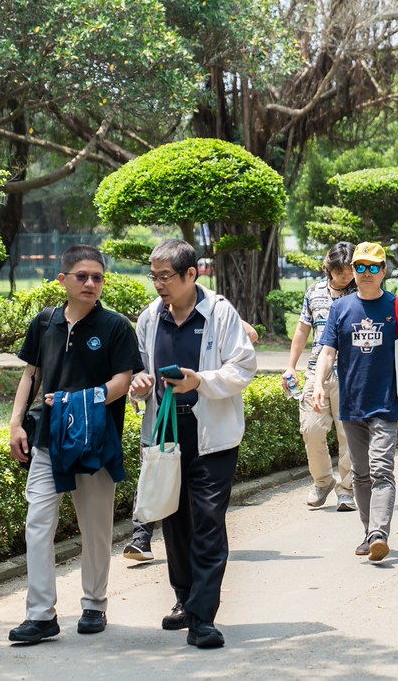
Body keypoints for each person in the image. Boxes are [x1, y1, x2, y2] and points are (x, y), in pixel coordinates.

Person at [129, 239, 256, 649]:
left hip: (211, 438)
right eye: (154, 276)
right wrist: (139, 386)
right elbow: (139, 371)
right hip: (166, 431)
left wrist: (200, 380)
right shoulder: (150, 317)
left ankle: (203, 618)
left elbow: (243, 367)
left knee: (207, 524)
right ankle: (184, 599)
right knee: (175, 522)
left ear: (190, 274)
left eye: (166, 276)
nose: (158, 284)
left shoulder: (219, 313)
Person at [7, 245, 139, 643]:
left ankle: (94, 604)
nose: (90, 283)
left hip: (95, 441)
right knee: (38, 523)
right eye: (82, 276)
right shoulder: (45, 322)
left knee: (95, 528)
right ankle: (41, 614)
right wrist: (15, 422)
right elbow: (31, 375)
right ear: (62, 279)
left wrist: (78, 402)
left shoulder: (116, 326)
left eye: (97, 277)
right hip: (48, 441)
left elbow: (122, 382)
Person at [312, 242, 398, 562]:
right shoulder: (341, 308)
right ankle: (368, 532)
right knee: (361, 474)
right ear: (353, 270)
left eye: (373, 267)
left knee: (381, 470)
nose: (365, 273)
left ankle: (379, 533)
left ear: (383, 272)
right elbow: (328, 352)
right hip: (352, 405)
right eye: (360, 267)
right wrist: (319, 384)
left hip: (386, 405)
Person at [283, 242, 357, 511]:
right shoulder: (313, 292)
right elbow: (302, 330)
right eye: (340, 271)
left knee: (349, 435)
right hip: (317, 371)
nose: (345, 276)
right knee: (311, 429)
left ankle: (347, 489)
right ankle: (323, 481)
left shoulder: (361, 293)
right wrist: (291, 366)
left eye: (349, 271)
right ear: (329, 268)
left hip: (350, 372)